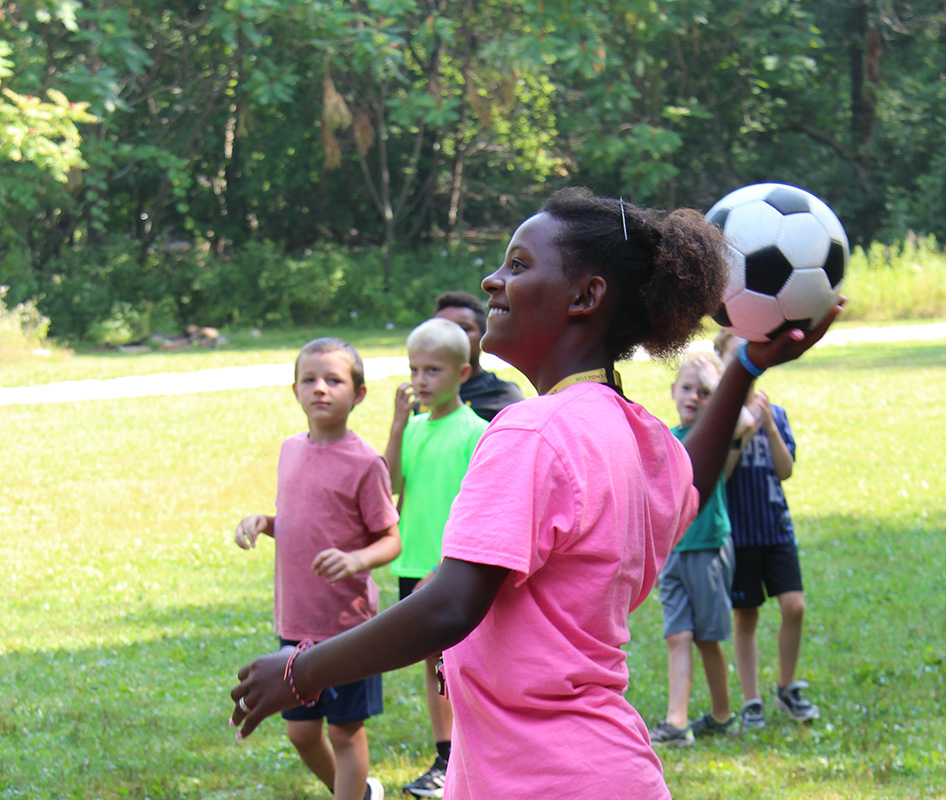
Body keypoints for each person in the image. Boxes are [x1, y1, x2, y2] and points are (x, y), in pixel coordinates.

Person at [230, 188, 842, 800]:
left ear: (586, 296)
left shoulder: (533, 429)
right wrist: (747, 368)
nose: (492, 281)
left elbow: (451, 604)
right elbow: (693, 481)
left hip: (548, 776)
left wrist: (299, 669)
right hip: (591, 769)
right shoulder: (631, 429)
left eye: (518, 265)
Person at [232, 337, 400, 800]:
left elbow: (391, 539)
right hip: (296, 621)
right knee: (302, 734)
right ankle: (359, 794)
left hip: (349, 628)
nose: (320, 389)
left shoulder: (366, 463)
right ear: (295, 391)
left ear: (359, 394)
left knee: (346, 733)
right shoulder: (290, 450)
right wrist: (263, 523)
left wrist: (355, 559)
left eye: (334, 380)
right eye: (309, 380)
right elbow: (295, 519)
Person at [382, 318, 488, 798]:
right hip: (412, 565)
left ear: (463, 373)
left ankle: (468, 756)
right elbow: (390, 489)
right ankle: (445, 756)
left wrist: (443, 569)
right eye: (414, 370)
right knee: (433, 665)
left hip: (450, 572)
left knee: (461, 664)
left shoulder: (477, 433)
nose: (420, 381)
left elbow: (479, 509)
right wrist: (398, 425)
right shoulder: (414, 428)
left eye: (433, 371)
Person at [714, 331, 820, 730]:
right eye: (733, 355)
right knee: (746, 617)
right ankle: (752, 699)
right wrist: (739, 433)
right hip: (740, 533)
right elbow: (718, 477)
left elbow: (785, 469)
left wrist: (769, 426)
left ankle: (787, 685)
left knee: (795, 605)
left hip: (776, 528)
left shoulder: (773, 413)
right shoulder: (718, 417)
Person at [648, 351, 743, 746]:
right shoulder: (667, 439)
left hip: (707, 549)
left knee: (707, 638)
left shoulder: (717, 436)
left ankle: (722, 715)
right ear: (672, 391)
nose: (693, 397)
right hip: (673, 552)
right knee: (677, 635)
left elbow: (744, 419)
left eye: (705, 393)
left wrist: (723, 392)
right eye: (687, 388)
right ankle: (676, 721)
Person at [432, 290, 524, 421]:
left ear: (483, 335)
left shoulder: (502, 396)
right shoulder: (425, 395)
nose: (453, 336)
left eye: (464, 328)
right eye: (442, 329)